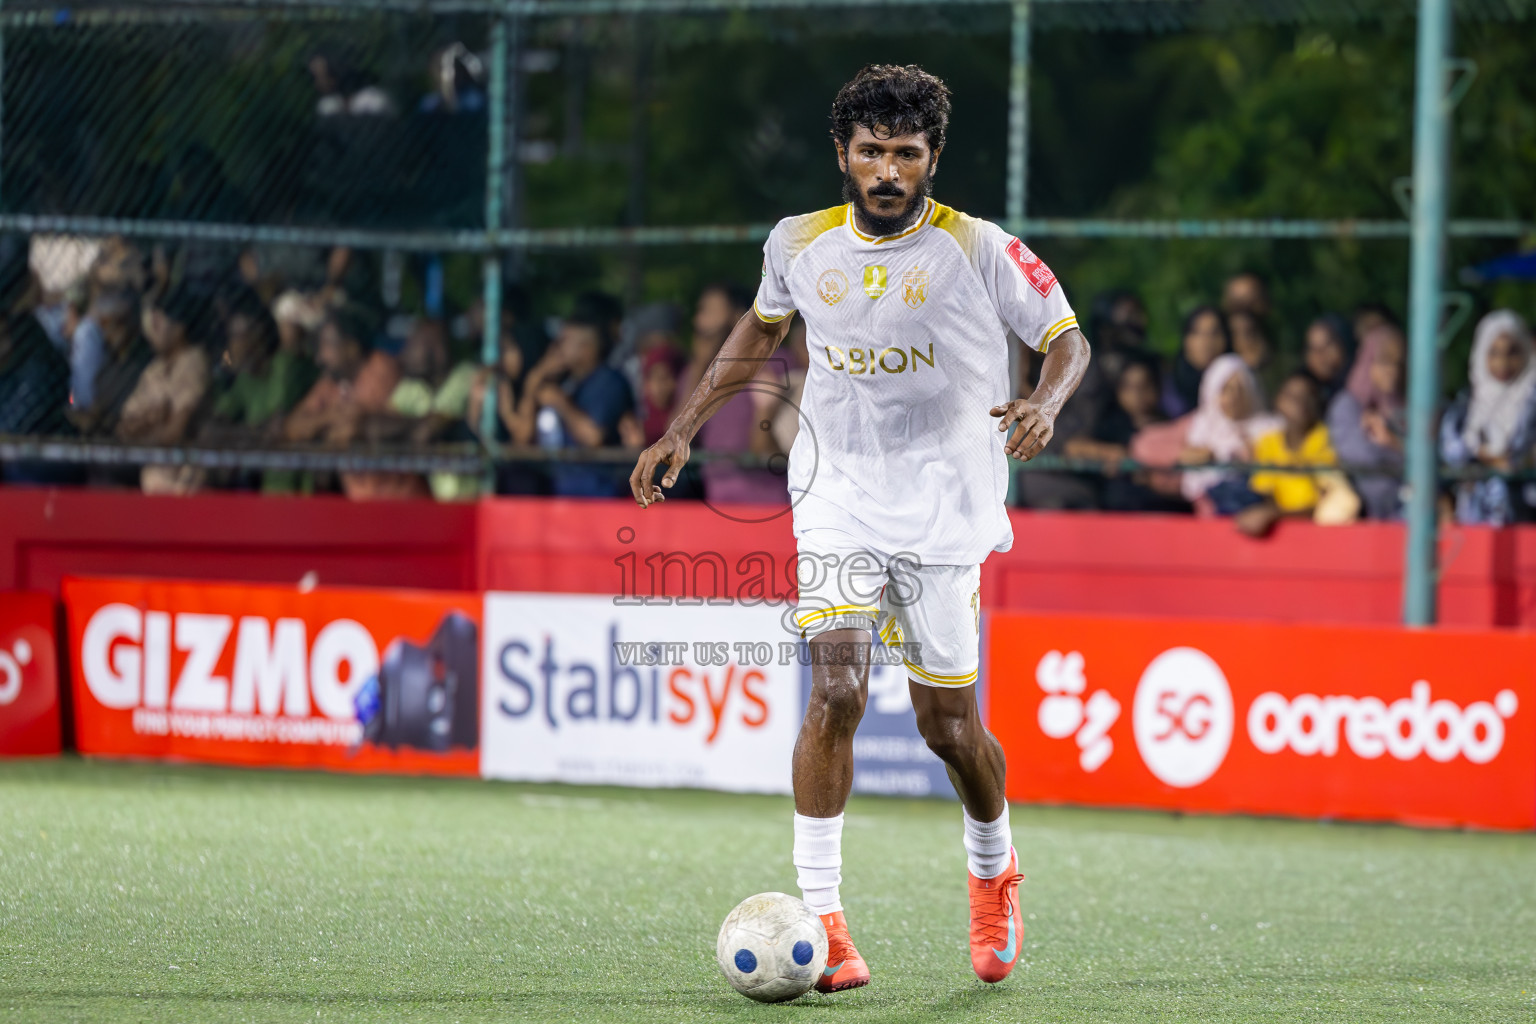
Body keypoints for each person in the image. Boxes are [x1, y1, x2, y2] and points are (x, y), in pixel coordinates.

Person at [629, 64, 1089, 990]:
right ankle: (825, 922)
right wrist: (681, 427)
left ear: (932, 158)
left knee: (948, 728)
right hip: (836, 493)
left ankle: (994, 870)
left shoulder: (979, 247)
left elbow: (1067, 339)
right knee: (836, 691)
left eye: (906, 154)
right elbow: (760, 332)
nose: (887, 171)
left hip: (946, 506)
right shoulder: (798, 243)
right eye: (872, 152)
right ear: (842, 154)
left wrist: (1044, 402)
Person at [283, 307, 414, 500]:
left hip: (400, 500)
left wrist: (321, 427)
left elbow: (352, 429)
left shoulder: (380, 367)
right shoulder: (332, 381)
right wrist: (328, 416)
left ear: (352, 347)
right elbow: (292, 428)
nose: (320, 357)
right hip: (360, 501)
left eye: (328, 345)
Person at [1441, 310, 1536, 526]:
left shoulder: (1531, 402)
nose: (1503, 362)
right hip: (1473, 520)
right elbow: (1449, 451)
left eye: (1513, 352)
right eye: (1494, 352)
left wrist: (1516, 463)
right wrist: (1484, 458)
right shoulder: (1466, 405)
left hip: (1524, 519)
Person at [116, 289, 213, 494]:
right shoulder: (154, 369)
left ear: (179, 328)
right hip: (154, 462)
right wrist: (152, 421)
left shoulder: (193, 361)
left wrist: (145, 430)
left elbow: (176, 431)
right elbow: (124, 428)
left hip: (186, 466)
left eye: (158, 324)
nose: (152, 332)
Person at [1064, 354, 1187, 512]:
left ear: (1157, 387)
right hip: (1118, 512)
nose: (1137, 394)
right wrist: (1110, 453)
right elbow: (1073, 447)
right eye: (1128, 387)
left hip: (1164, 510)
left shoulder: (1172, 427)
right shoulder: (1112, 424)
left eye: (1144, 386)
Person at [529, 313, 634, 497]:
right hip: (564, 493)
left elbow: (593, 437)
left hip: (598, 495)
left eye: (565, 341)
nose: (557, 348)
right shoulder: (570, 382)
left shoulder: (609, 382)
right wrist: (537, 375)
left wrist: (560, 402)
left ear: (587, 349)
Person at [1169, 353, 1280, 513]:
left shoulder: (1270, 427)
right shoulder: (1202, 425)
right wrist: (1216, 454)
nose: (1235, 396)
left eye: (1241, 388)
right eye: (1226, 389)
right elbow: (1185, 458)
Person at [1240, 373, 1346, 536]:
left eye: (1306, 397)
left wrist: (1274, 514)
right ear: (1278, 401)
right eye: (1291, 396)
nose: (1298, 402)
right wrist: (1270, 513)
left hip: (1318, 533)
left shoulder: (1324, 439)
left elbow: (1320, 507)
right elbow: (1266, 494)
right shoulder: (1268, 443)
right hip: (1279, 532)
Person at [1327, 323, 1406, 520]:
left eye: (1399, 363)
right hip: (1364, 516)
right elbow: (1364, 460)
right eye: (1384, 361)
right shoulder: (1347, 405)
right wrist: (1403, 452)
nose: (1393, 370)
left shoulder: (1409, 406)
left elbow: (1436, 462)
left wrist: (1394, 442)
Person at [69, 288, 150, 439]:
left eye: (114, 324)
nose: (107, 333)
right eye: (104, 325)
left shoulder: (139, 369)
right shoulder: (108, 364)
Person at [1162, 305, 1229, 419]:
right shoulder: (1166, 390)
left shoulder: (1238, 384)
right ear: (1185, 340)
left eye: (1214, 333)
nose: (1206, 341)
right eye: (1197, 333)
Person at [1303, 313, 1355, 407]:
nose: (1319, 354)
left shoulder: (1363, 387)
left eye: (1327, 345)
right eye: (1312, 348)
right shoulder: (1305, 393)